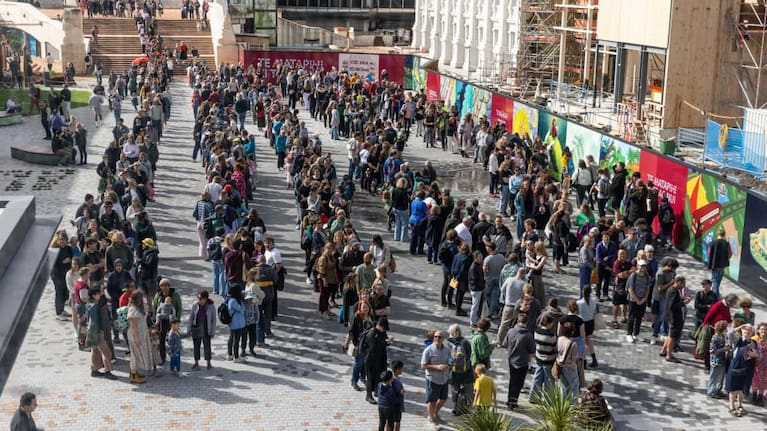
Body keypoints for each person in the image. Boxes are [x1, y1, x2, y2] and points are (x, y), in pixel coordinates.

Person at [85, 287, 118, 380]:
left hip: (91, 332)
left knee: (94, 351)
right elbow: (96, 321)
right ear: (95, 295)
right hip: (98, 332)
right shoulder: (95, 306)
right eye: (99, 293)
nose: (100, 295)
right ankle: (108, 371)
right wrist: (101, 332)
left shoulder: (88, 304)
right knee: (106, 352)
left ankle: (94, 370)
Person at [504, 312, 535, 409]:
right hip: (522, 362)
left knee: (512, 381)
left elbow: (505, 343)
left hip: (511, 360)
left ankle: (509, 400)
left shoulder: (511, 331)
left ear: (518, 321)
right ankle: (514, 401)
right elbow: (532, 350)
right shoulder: (528, 335)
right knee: (519, 383)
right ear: (527, 322)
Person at [421, 329, 451, 425]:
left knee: (443, 398)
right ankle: (431, 418)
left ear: (444, 339)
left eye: (440, 337)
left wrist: (450, 366)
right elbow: (423, 365)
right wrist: (437, 367)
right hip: (433, 379)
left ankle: (435, 413)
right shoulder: (428, 350)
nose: (437, 338)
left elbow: (450, 361)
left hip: (444, 379)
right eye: (435, 337)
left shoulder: (447, 350)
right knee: (432, 400)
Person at [361, 318, 390, 405]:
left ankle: (377, 391)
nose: (384, 330)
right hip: (371, 359)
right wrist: (384, 342)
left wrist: (387, 342)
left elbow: (384, 340)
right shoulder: (372, 333)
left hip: (380, 358)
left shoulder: (382, 332)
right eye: (383, 328)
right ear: (379, 326)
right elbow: (373, 347)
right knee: (370, 378)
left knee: (379, 375)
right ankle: (368, 395)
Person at [127, 289, 153, 384]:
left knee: (139, 354)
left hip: (141, 334)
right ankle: (133, 375)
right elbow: (133, 326)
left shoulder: (139, 308)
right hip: (135, 335)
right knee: (135, 354)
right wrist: (137, 338)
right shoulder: (133, 309)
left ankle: (137, 372)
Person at [446, 324, 473, 415]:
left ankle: (455, 407)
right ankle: (467, 407)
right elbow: (469, 355)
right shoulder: (465, 342)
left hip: (453, 371)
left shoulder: (449, 343)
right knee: (468, 389)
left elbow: (447, 357)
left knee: (455, 389)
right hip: (466, 370)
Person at [660, 276, 688, 363]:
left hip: (670, 316)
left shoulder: (671, 289)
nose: (683, 286)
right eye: (683, 284)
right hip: (674, 317)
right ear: (678, 282)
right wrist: (683, 303)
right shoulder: (674, 291)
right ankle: (669, 355)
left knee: (670, 335)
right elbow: (673, 306)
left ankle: (663, 350)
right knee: (673, 337)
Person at [188, 290, 216, 370]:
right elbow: (191, 317)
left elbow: (213, 320)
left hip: (206, 327)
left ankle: (208, 362)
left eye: (201, 298)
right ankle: (196, 362)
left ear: (205, 298)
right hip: (196, 326)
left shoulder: (211, 306)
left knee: (207, 346)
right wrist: (189, 329)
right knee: (196, 345)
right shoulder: (195, 305)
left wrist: (213, 331)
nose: (199, 300)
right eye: (198, 298)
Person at [626, 259, 652, 343]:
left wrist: (645, 298)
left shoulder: (646, 275)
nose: (643, 268)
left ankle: (636, 333)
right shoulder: (633, 275)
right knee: (631, 317)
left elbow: (648, 287)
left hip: (642, 300)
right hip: (633, 300)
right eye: (641, 266)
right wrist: (637, 300)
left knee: (639, 317)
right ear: (637, 266)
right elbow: (630, 289)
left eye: (644, 266)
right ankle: (629, 334)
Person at [707, 229, 732, 298]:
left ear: (717, 234)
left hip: (714, 265)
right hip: (722, 266)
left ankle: (715, 297)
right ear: (724, 234)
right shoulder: (726, 244)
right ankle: (716, 296)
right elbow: (730, 254)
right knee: (717, 282)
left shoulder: (713, 243)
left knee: (715, 281)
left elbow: (709, 253)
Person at [708, 320, 730, 399]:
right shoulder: (714, 338)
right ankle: (711, 392)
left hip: (722, 360)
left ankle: (718, 390)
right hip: (716, 361)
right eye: (725, 328)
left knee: (720, 377)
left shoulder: (723, 337)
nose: (726, 330)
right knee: (714, 377)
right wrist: (723, 349)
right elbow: (712, 351)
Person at [226, 284, 247, 363]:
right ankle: (236, 357)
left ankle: (230, 354)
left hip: (234, 323)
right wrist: (242, 301)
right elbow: (241, 309)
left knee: (232, 338)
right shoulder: (234, 301)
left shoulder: (230, 300)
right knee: (236, 340)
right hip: (236, 324)